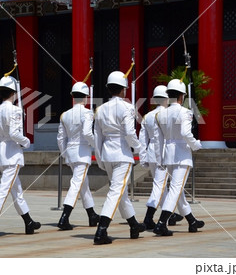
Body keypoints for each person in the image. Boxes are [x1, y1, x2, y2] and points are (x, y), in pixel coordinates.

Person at [0, 75, 41, 239]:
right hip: (12, 154)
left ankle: (28, 222)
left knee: (16, 190)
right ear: (14, 93)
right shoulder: (15, 110)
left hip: (1, 153)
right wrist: (26, 141)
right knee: (3, 190)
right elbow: (14, 133)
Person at [93, 70, 146, 245]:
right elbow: (130, 133)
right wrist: (139, 148)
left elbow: (97, 136)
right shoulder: (127, 107)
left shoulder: (100, 109)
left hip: (107, 153)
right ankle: (101, 231)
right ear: (123, 90)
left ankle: (133, 225)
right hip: (122, 154)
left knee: (119, 192)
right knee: (116, 192)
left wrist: (100, 158)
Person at [152, 79, 204, 236]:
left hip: (168, 155)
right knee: (176, 189)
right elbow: (186, 133)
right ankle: (162, 223)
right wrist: (196, 145)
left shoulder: (160, 114)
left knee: (177, 190)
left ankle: (191, 221)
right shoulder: (185, 112)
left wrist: (160, 158)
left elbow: (158, 139)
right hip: (181, 154)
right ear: (182, 96)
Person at [56, 82, 100, 230]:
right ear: (86, 97)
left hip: (71, 153)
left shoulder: (65, 114)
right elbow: (88, 133)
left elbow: (60, 138)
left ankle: (92, 215)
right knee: (76, 184)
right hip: (82, 153)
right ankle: (64, 217)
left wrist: (65, 154)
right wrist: (96, 145)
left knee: (83, 185)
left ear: (73, 97)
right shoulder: (87, 113)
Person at [139, 85, 184, 229]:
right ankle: (149, 216)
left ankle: (169, 215)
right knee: (160, 186)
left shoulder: (147, 116)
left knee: (162, 186)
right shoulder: (167, 114)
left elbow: (142, 139)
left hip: (151, 153)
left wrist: (143, 157)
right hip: (163, 153)